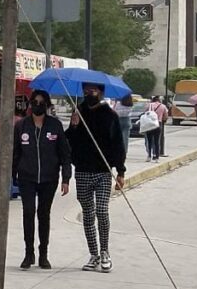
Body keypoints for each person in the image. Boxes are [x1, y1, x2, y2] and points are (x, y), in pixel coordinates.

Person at [66, 83, 126, 273]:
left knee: (101, 210)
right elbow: (69, 141)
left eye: (91, 90)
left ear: (100, 92)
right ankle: (94, 254)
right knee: (88, 213)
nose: (87, 93)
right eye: (85, 91)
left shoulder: (110, 115)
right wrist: (74, 126)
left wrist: (121, 172)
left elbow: (118, 144)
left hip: (103, 171)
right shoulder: (79, 112)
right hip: (82, 170)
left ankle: (105, 251)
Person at [12, 90, 72, 270]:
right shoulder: (21, 126)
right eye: (35, 102)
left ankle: (43, 254)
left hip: (49, 178)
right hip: (27, 177)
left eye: (41, 102)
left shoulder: (55, 125)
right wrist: (12, 175)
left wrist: (66, 178)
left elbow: (64, 153)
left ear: (47, 105)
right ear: (30, 104)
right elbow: (15, 152)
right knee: (28, 212)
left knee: (43, 214)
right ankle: (28, 253)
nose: (38, 105)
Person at [143, 95, 168, 162]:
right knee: (157, 141)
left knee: (149, 141)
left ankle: (149, 156)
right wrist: (162, 119)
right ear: (159, 100)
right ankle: (156, 157)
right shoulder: (163, 106)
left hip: (149, 124)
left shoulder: (149, 105)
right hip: (158, 124)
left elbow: (145, 112)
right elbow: (166, 116)